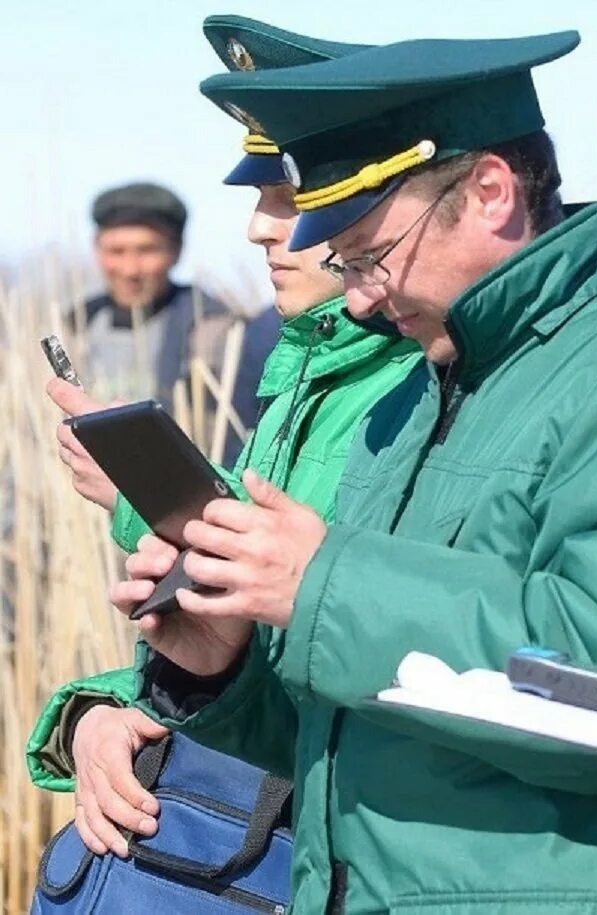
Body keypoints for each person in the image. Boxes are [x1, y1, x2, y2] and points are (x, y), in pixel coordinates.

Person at [110, 30, 597, 914]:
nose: (358, 295)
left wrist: (321, 584)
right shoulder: (418, 394)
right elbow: (377, 724)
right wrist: (222, 668)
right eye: (346, 264)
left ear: (489, 192)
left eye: (370, 254)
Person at [26, 15, 423, 865]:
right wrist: (103, 709)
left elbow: (317, 654)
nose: (257, 230)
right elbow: (239, 647)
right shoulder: (305, 361)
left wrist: (148, 503)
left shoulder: (397, 379)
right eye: (257, 201)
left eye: (287, 202)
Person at [81, 180, 253, 462]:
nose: (130, 269)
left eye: (147, 250)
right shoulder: (75, 326)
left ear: (176, 251)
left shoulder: (215, 330)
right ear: (97, 250)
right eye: (116, 251)